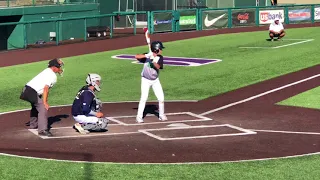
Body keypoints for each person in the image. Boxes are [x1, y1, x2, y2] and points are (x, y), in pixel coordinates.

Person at [20, 58, 64, 137]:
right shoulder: (52, 75)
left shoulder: (47, 71)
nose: (60, 69)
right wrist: (45, 102)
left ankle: (33, 124)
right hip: (31, 92)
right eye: (59, 67)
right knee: (42, 107)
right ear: (54, 67)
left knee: (35, 105)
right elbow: (46, 89)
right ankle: (42, 130)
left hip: (26, 90)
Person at [135, 41, 167, 123]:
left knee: (161, 98)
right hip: (145, 80)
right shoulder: (148, 55)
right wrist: (147, 55)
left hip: (155, 80)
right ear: (156, 49)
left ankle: (161, 115)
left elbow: (158, 67)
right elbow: (136, 56)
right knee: (143, 98)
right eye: (160, 49)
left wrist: (153, 61)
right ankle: (139, 117)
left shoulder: (160, 57)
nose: (161, 50)